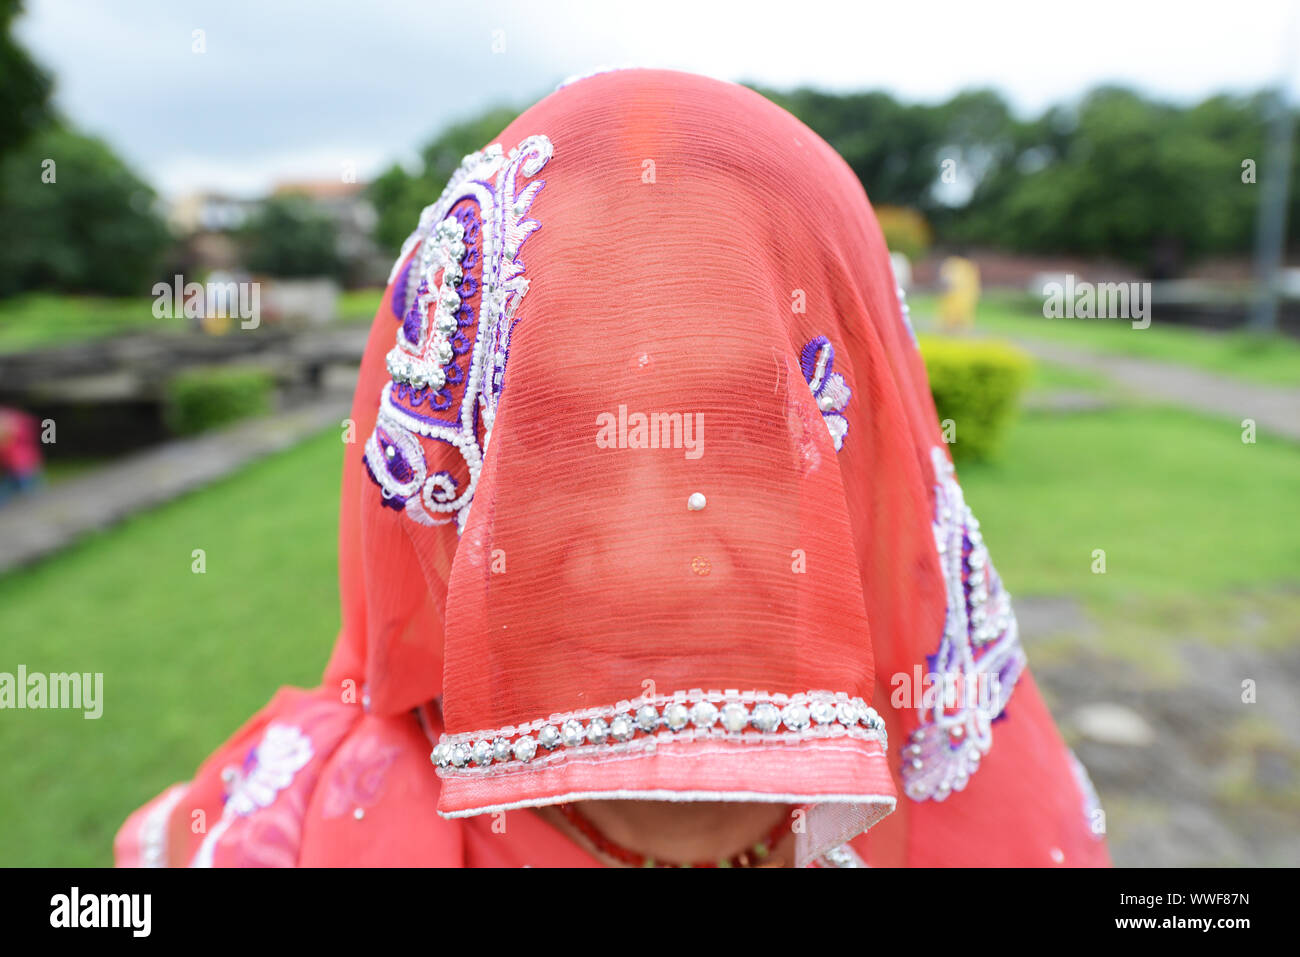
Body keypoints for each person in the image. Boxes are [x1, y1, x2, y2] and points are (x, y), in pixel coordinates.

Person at [116, 69, 1109, 868]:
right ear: (448, 471)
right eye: (556, 441)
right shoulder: (292, 830)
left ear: (863, 450)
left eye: (741, 437)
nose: (644, 548)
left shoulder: (985, 816)